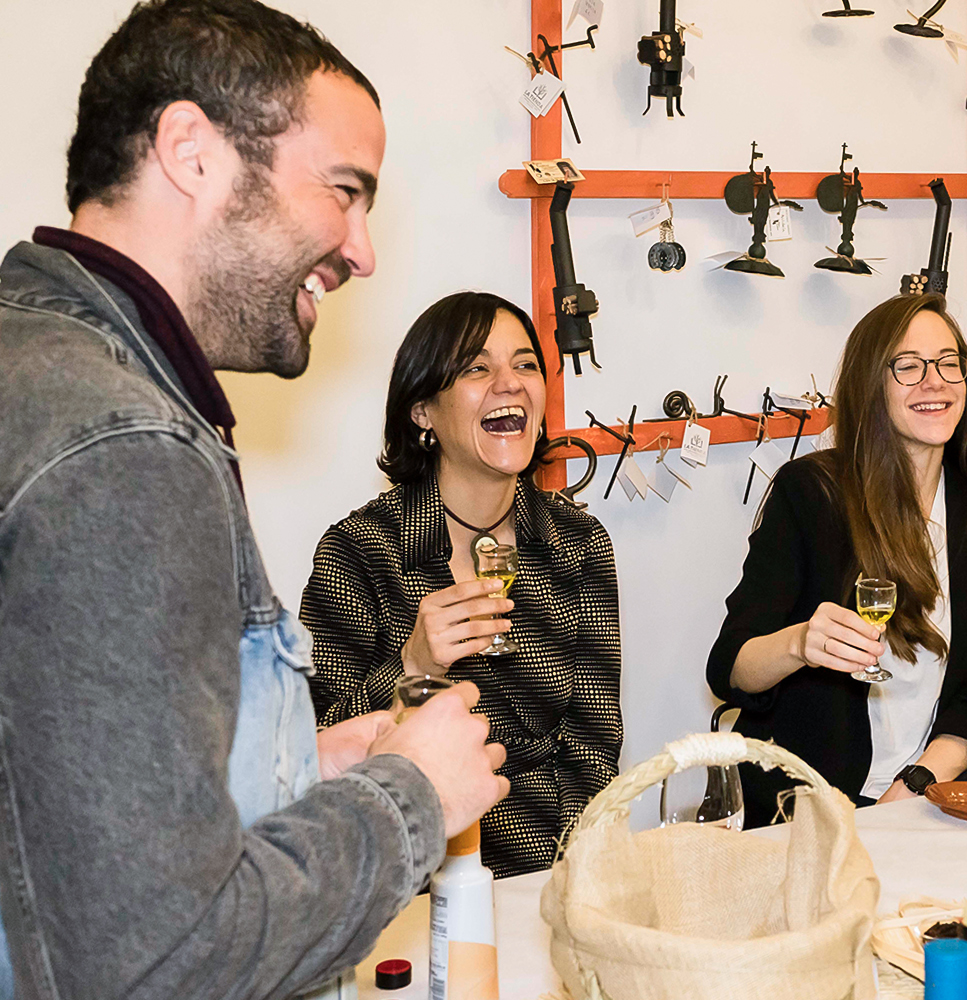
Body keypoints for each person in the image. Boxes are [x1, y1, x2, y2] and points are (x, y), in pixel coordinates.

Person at [0, 3, 509, 998]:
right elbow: (157, 962)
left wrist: (292, 768)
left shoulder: (37, 363)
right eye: (344, 191)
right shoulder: (125, 451)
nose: (361, 251)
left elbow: (49, 813)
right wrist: (409, 798)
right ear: (190, 150)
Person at [303, 291, 623, 879]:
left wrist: (560, 878)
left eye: (526, 364)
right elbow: (317, 752)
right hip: (407, 876)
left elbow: (595, 741)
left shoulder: (577, 543)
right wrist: (412, 669)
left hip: (548, 869)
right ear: (422, 410)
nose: (511, 383)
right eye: (478, 368)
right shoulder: (360, 551)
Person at [707, 293, 967, 827]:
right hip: (809, 810)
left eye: (950, 363)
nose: (935, 381)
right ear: (870, 385)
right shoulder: (811, 495)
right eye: (908, 366)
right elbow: (729, 667)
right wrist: (799, 643)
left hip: (931, 802)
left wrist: (918, 784)